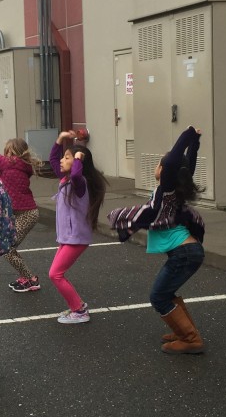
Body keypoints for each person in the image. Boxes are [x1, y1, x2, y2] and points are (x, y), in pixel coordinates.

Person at [107, 126, 206, 353]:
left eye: (160, 165)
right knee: (166, 293)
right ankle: (183, 331)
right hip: (186, 252)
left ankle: (191, 339)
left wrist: (189, 133)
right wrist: (195, 142)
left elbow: (174, 161)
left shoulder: (168, 189)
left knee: (158, 296)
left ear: (163, 170)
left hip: (184, 253)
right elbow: (186, 163)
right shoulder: (176, 189)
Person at [48, 131, 107, 324]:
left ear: (77, 163)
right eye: (64, 157)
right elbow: (52, 159)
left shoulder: (80, 184)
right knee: (56, 274)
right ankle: (78, 307)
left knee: (55, 274)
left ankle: (80, 310)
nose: (62, 161)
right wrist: (60, 139)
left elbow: (76, 175)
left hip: (77, 238)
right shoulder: (65, 180)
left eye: (67, 158)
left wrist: (79, 159)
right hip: (67, 237)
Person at [0, 132, 42, 292]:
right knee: (9, 246)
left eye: (7, 151)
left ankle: (31, 279)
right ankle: (25, 276)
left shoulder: (9, 163)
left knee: (7, 248)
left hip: (26, 214)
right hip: (25, 213)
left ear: (13, 152)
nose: (5, 154)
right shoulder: (22, 166)